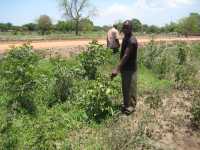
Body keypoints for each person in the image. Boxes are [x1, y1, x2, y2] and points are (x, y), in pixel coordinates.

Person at [111, 20, 138, 115]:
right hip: (125, 68)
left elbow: (126, 55)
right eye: (124, 27)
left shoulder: (132, 40)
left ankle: (131, 107)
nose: (125, 29)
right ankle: (126, 104)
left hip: (130, 68)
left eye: (127, 27)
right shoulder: (126, 38)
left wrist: (117, 69)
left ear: (131, 28)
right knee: (125, 87)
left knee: (130, 87)